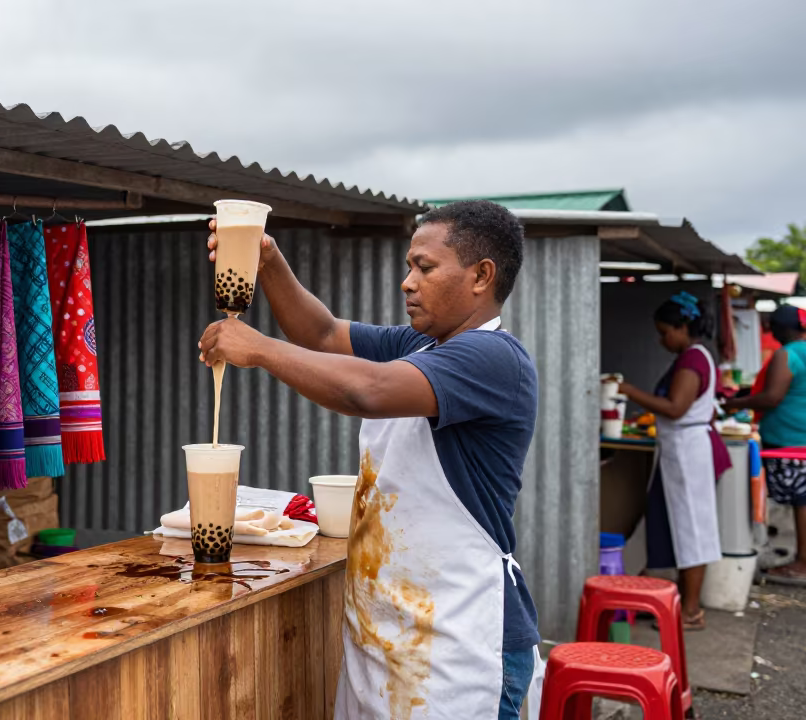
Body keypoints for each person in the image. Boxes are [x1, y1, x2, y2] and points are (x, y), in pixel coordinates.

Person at [198, 200, 538, 720]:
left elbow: (370, 392)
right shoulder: (422, 347)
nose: (407, 281)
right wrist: (266, 259)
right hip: (385, 636)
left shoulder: (494, 359)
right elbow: (323, 335)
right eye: (408, 266)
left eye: (424, 267)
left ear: (481, 276)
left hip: (458, 646)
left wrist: (259, 348)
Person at [616, 292, 729, 630]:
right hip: (680, 450)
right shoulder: (692, 357)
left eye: (666, 332)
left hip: (690, 451)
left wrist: (628, 390)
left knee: (693, 532)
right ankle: (667, 600)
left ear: (683, 327)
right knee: (674, 526)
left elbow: (676, 408)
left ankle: (691, 612)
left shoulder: (693, 359)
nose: (662, 339)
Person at [725, 304, 806, 583]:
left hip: (791, 441)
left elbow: (772, 398)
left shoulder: (788, 354)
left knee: (801, 499)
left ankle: (803, 562)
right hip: (800, 439)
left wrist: (736, 402)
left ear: (779, 328)